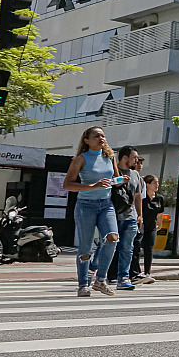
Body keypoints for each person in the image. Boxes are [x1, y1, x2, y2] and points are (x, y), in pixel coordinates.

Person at [62, 127, 121, 297]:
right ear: (86, 140)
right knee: (86, 247)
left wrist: (120, 180)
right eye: (96, 136)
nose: (101, 138)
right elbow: (67, 185)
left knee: (113, 238)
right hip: (85, 205)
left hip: (106, 204)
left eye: (103, 136)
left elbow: (114, 181)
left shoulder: (109, 156)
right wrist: (92, 186)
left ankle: (100, 280)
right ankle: (82, 284)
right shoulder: (80, 159)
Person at [108, 146, 143, 292]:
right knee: (107, 247)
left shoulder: (135, 175)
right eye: (134, 157)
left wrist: (139, 215)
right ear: (124, 158)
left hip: (129, 217)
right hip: (112, 216)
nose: (137, 160)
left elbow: (137, 196)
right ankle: (98, 273)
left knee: (127, 249)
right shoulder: (110, 171)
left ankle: (123, 277)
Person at [136, 175, 163, 283]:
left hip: (151, 226)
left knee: (149, 249)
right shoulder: (142, 198)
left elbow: (160, 213)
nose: (157, 185)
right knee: (137, 249)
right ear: (147, 184)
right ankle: (136, 272)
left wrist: (159, 224)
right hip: (141, 226)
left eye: (157, 183)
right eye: (154, 183)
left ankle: (147, 272)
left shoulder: (159, 198)